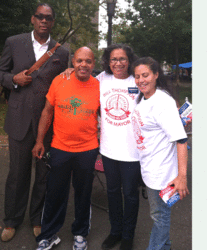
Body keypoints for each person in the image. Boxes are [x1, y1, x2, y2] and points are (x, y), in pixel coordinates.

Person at [0, 2, 69, 242]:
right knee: (17, 174)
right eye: (40, 17)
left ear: (53, 22)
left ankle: (38, 219)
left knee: (43, 175)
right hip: (19, 120)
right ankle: (11, 220)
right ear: (32, 19)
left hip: (47, 124)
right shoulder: (14, 42)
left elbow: (62, 85)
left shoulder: (62, 52)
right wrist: (13, 80)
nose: (44, 21)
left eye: (48, 18)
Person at [62, 44, 141, 250]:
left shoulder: (138, 80)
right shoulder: (102, 79)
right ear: (108, 61)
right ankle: (115, 231)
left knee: (131, 195)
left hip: (133, 152)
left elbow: (156, 99)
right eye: (114, 59)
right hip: (108, 150)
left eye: (122, 59)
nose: (118, 63)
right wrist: (70, 70)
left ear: (129, 60)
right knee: (113, 192)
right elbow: (82, 81)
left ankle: (127, 235)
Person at [32, 47, 100, 250]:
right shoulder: (60, 80)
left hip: (87, 149)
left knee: (83, 193)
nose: (83, 65)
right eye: (79, 61)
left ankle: (80, 234)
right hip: (60, 147)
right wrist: (39, 141)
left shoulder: (99, 86)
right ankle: (49, 234)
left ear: (93, 64)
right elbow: (47, 111)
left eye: (88, 61)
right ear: (73, 61)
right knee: (54, 192)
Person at [131, 57, 189, 250]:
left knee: (160, 217)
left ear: (156, 75)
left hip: (162, 173)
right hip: (149, 167)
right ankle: (166, 247)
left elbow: (181, 140)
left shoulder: (162, 102)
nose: (141, 80)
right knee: (158, 214)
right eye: (137, 76)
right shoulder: (145, 97)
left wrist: (182, 176)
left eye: (145, 75)